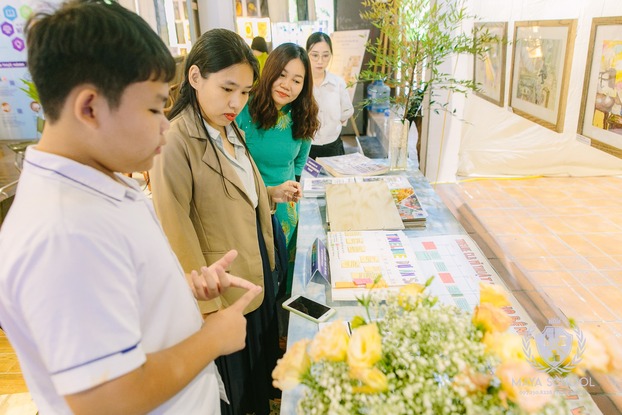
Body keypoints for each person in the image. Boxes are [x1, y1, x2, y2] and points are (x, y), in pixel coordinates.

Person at [0, 1, 261, 414]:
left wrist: (178, 290)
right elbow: (106, 400)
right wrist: (214, 335)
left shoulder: (104, 180)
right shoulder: (63, 233)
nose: (164, 125)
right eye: (155, 107)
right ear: (89, 108)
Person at [149, 29, 300, 415]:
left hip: (255, 275)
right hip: (223, 292)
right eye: (227, 88)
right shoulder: (176, 139)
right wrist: (211, 310)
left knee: (258, 378)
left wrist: (269, 194)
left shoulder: (226, 124)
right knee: (237, 392)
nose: (237, 102)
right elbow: (176, 226)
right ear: (195, 77)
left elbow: (230, 194)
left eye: (246, 92)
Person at [236, 42, 319, 295]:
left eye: (296, 80)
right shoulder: (243, 110)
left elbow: (299, 163)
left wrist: (290, 189)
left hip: (287, 210)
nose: (287, 85)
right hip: (248, 207)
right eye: (282, 75)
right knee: (259, 279)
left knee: (288, 278)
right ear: (270, 71)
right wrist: (269, 191)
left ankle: (285, 330)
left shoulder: (303, 114)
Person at [306, 32, 354, 159]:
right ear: (306, 54)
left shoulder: (338, 83)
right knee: (308, 179)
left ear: (331, 55)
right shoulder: (301, 83)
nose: (320, 61)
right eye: (314, 55)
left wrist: (333, 124)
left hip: (333, 146)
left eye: (325, 55)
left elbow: (346, 112)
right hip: (306, 148)